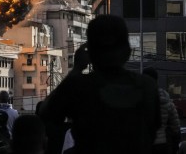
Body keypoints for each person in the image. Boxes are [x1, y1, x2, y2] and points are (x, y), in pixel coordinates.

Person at [39, 14, 161, 154]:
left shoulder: (78, 87)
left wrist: (77, 69)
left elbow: (45, 114)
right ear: (127, 51)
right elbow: (154, 129)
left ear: (90, 53)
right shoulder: (147, 86)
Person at [143, 67, 181, 154]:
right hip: (162, 145)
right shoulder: (166, 99)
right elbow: (175, 127)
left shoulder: (135, 98)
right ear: (156, 80)